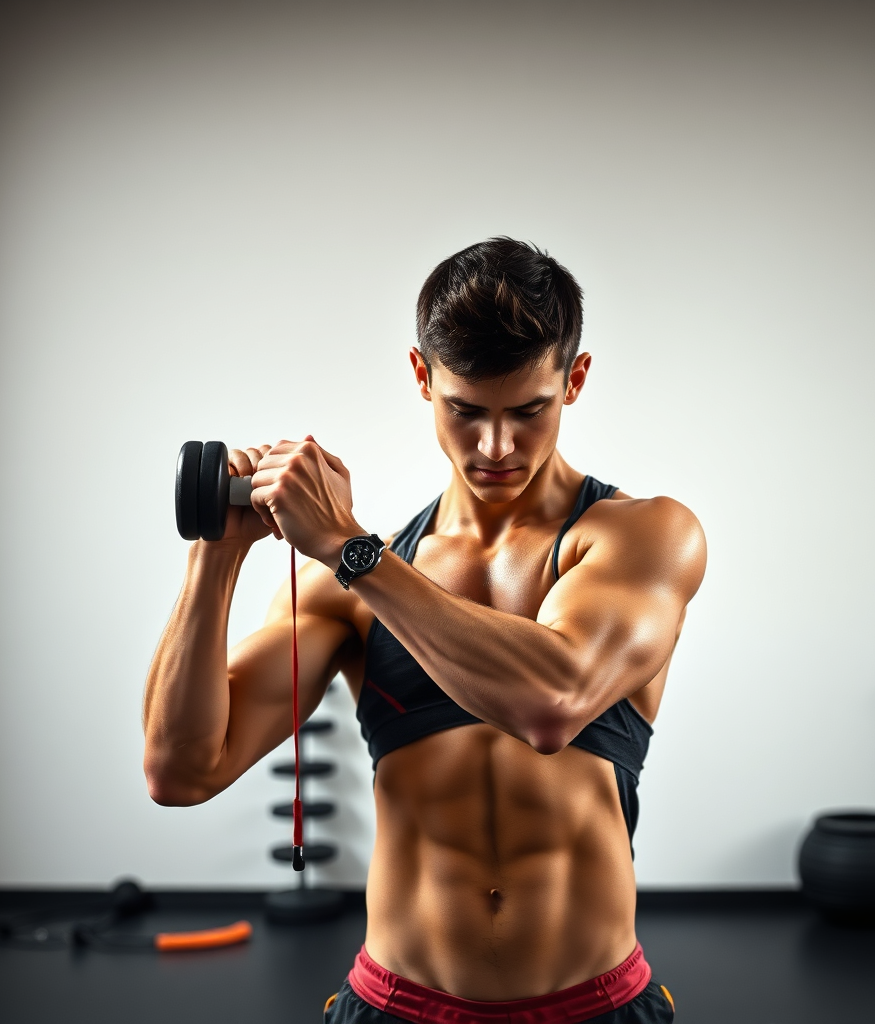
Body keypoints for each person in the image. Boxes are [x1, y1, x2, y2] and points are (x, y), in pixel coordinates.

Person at [143, 237, 706, 1023]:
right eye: (466, 411)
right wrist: (218, 553)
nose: (496, 446)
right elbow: (181, 769)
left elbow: (554, 700)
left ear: (574, 381)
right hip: (396, 1006)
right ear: (422, 377)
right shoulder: (354, 591)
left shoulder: (642, 537)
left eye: (529, 411)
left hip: (595, 1006)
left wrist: (349, 548)